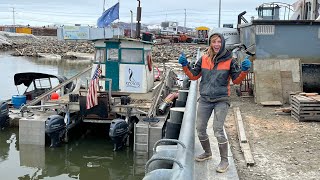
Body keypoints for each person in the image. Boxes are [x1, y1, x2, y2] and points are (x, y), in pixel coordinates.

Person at [178, 33, 251, 173]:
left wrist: (244, 70)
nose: (216, 44)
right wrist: (185, 65)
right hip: (205, 99)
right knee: (200, 129)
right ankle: (207, 152)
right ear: (210, 43)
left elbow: (236, 81)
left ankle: (224, 160)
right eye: (213, 42)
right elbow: (194, 76)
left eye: (219, 41)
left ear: (222, 43)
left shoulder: (230, 60)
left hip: (221, 100)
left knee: (218, 131)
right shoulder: (204, 58)